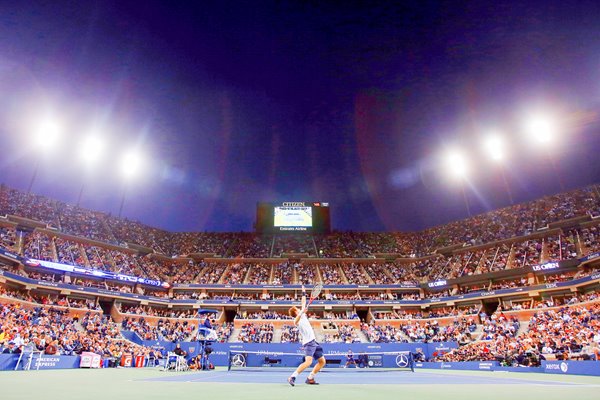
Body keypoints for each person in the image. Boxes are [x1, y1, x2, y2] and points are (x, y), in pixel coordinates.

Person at [287, 285, 326, 386]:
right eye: (297, 309)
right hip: (308, 343)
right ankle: (292, 376)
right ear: (295, 312)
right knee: (308, 362)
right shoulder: (296, 320)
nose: (298, 309)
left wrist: (304, 292)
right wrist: (301, 313)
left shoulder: (302, 314)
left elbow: (303, 302)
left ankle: (310, 378)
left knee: (322, 361)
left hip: (314, 341)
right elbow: (296, 320)